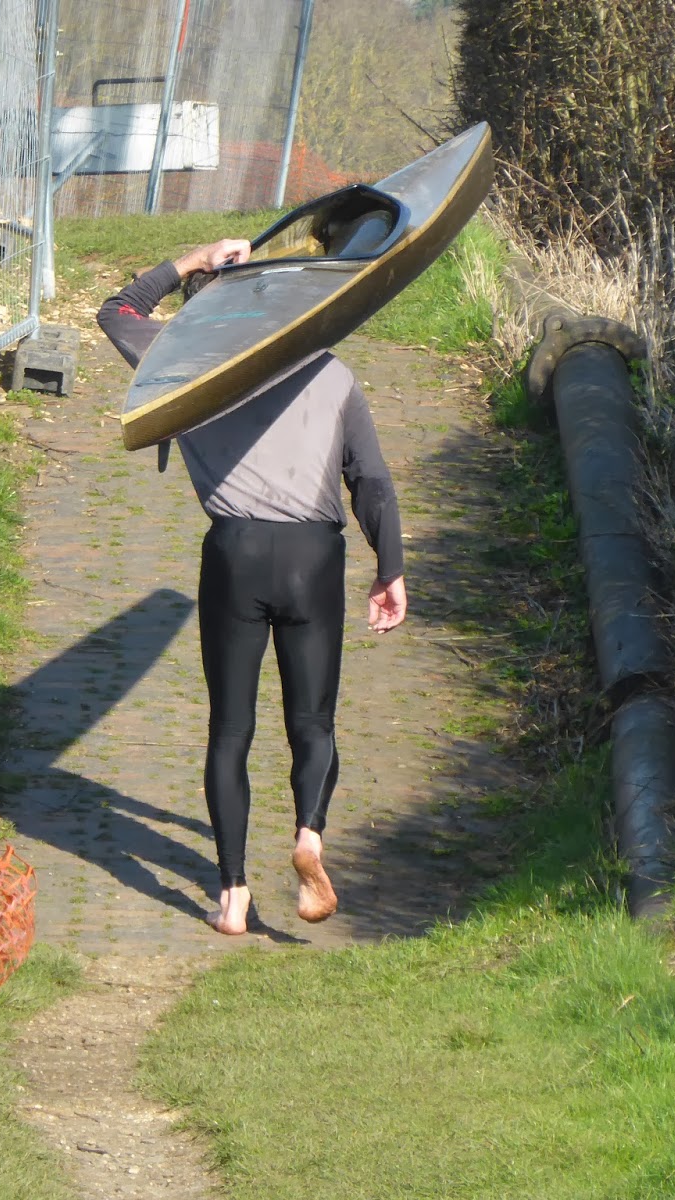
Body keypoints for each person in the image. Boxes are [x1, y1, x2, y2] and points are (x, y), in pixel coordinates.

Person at [97, 238, 407, 935]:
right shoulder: (330, 371)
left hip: (234, 554)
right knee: (313, 723)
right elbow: (371, 481)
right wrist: (389, 568)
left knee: (231, 729)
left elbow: (116, 312)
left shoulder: (185, 363)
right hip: (313, 556)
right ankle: (309, 837)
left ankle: (233, 895)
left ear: (199, 310)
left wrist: (192, 258)